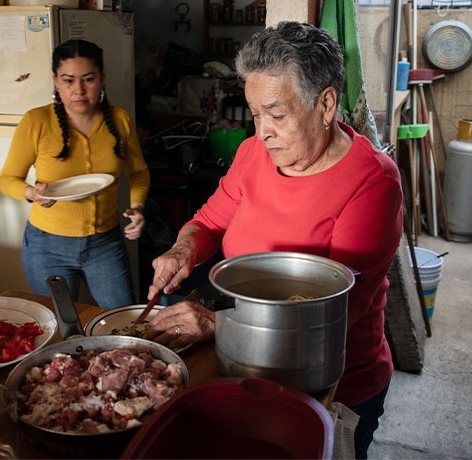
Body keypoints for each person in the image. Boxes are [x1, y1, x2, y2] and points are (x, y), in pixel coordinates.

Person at [143, 22, 404, 458]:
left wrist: (217, 321)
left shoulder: (372, 183)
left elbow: (334, 312)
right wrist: (181, 249)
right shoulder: (252, 155)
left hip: (333, 382)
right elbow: (208, 222)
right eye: (255, 113)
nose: (262, 131)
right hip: (245, 365)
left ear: (325, 104)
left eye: (276, 115)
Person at [0, 39, 149, 309]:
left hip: (105, 242)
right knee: (62, 324)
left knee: (122, 319)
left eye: (88, 79)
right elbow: (7, 178)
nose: (78, 90)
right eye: (68, 80)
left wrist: (137, 206)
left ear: (102, 79)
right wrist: (31, 193)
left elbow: (138, 172)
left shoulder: (120, 119)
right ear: (56, 81)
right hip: (47, 246)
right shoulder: (37, 121)